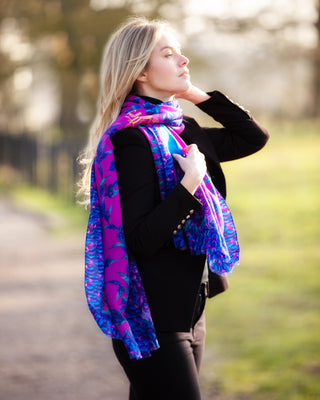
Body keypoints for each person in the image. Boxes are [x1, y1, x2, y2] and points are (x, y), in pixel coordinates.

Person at [78, 17, 269, 400]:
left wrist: (194, 94)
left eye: (180, 51)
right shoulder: (129, 140)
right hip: (152, 320)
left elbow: (252, 137)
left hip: (190, 312)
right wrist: (189, 185)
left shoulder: (179, 130)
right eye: (168, 53)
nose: (183, 60)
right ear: (140, 71)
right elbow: (142, 240)